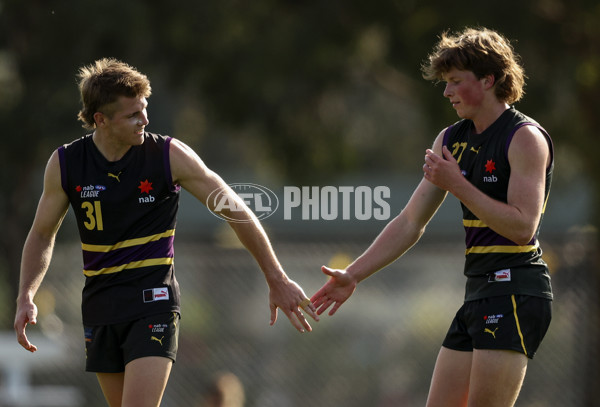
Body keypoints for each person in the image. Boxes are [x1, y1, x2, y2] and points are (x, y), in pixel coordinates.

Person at [14, 58, 318, 407]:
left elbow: (237, 211)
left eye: (144, 109)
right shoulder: (66, 163)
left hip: (153, 303)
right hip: (100, 307)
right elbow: (40, 234)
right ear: (100, 119)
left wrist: (275, 276)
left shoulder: (168, 155)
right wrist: (26, 294)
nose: (144, 120)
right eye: (132, 115)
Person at [311, 27, 553, 407]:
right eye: (445, 82)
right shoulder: (450, 140)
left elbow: (524, 228)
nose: (447, 92)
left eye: (456, 81)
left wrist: (457, 184)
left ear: (488, 80)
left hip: (515, 290)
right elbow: (410, 221)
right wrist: (353, 274)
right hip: (477, 292)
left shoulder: (524, 138)